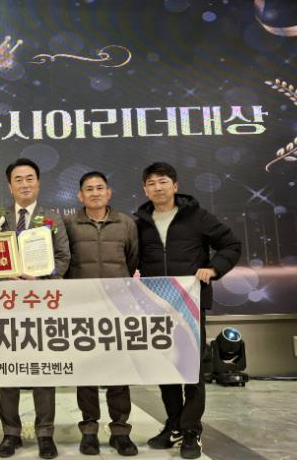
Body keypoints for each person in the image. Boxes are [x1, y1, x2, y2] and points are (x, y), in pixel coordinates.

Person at [135, 162, 241, 459]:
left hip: (190, 305)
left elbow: (231, 245)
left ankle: (191, 429)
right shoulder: (140, 222)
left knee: (191, 369)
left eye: (163, 181)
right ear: (145, 189)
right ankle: (173, 424)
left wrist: (214, 268)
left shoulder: (197, 217)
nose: (158, 187)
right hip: (156, 306)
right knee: (165, 368)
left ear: (175, 185)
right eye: (151, 183)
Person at [0, 158, 70, 460]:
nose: (24, 184)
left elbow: (64, 258)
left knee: (43, 371)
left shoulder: (53, 219)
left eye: (30, 178)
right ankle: (10, 433)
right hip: (5, 306)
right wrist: (2, 276)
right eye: (18, 179)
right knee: (7, 371)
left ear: (38, 183)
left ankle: (45, 434)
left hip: (40, 305)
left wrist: (41, 278)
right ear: (9, 186)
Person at [63, 171, 139, 457]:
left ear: (108, 192)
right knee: (86, 371)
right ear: (80, 196)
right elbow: (65, 263)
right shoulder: (69, 224)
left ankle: (120, 432)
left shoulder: (126, 224)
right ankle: (89, 431)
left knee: (119, 370)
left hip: (117, 308)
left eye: (99, 188)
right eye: (89, 189)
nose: (94, 193)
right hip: (82, 308)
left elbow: (131, 260)